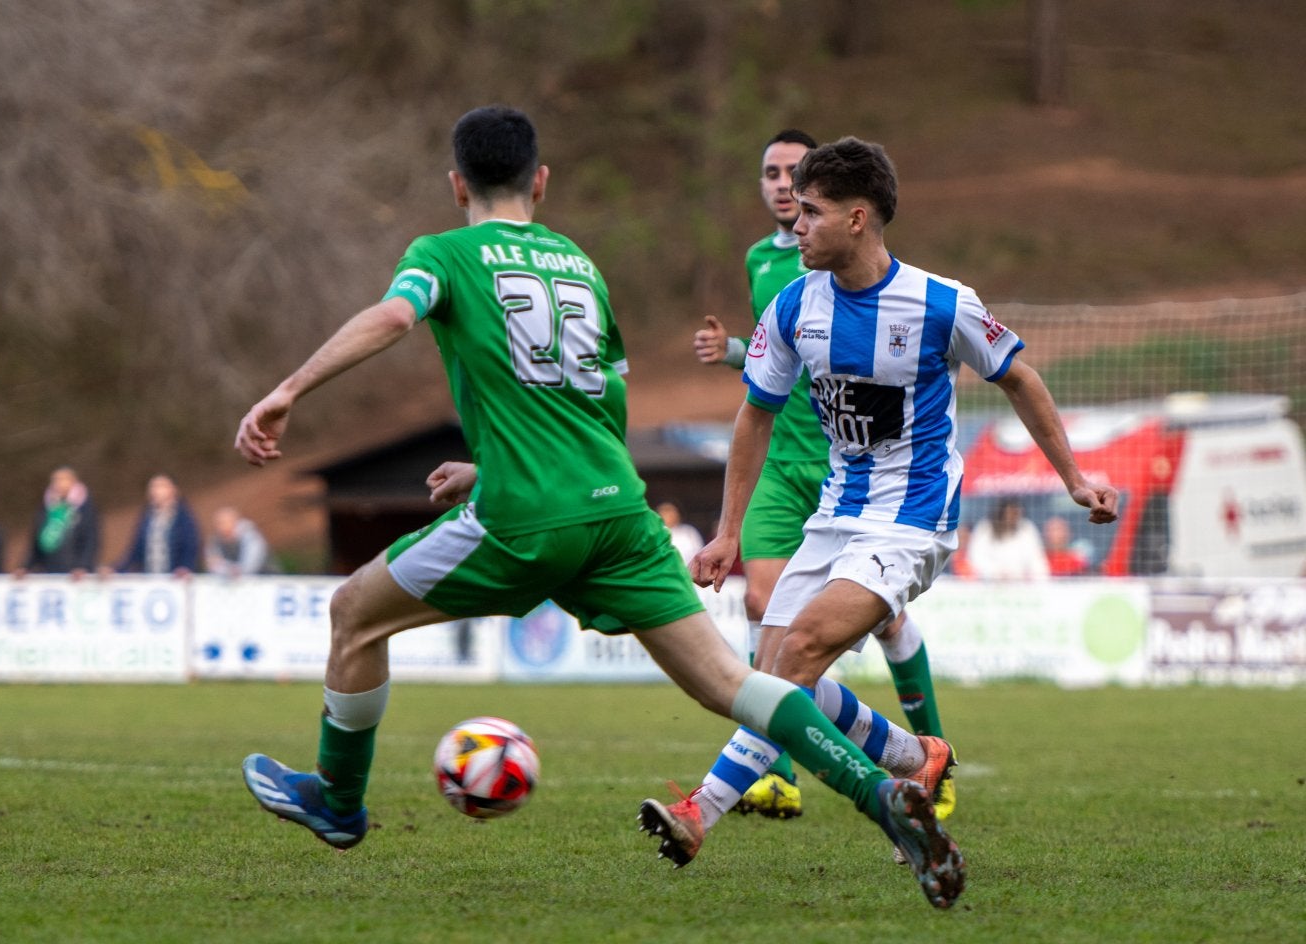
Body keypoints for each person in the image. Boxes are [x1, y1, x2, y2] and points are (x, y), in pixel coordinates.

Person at [233, 106, 964, 909]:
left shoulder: (442, 254)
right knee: (734, 678)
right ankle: (882, 796)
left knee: (353, 614)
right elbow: (601, 401)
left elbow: (394, 316)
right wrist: (492, 467)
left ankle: (338, 804)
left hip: (525, 515)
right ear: (540, 183)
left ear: (456, 185)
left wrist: (288, 389)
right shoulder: (580, 266)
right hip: (619, 512)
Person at [651, 136, 1118, 872]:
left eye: (811, 212)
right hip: (834, 513)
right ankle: (913, 754)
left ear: (858, 218)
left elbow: (1019, 377)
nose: (795, 225)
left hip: (913, 516)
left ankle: (697, 812)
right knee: (766, 678)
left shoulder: (941, 302)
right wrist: (728, 532)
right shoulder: (791, 306)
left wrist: (1074, 478)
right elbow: (755, 416)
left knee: (797, 654)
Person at [691, 130, 952, 820]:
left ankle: (925, 753)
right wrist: (732, 354)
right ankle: (775, 772)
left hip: (869, 474)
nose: (781, 187)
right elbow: (775, 359)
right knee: (771, 623)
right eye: (770, 173)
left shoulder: (902, 286)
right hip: (789, 463)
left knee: (874, 625)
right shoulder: (763, 262)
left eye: (793, 176)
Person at [111, 474, 201, 575]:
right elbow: (135, 551)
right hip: (151, 579)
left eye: (160, 486)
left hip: (174, 581)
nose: (154, 490)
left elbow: (190, 547)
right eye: (152, 487)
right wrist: (115, 570)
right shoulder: (147, 517)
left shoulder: (183, 517)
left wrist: (186, 568)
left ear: (173, 490)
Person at [23, 467, 101, 575]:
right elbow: (37, 541)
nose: (58, 484)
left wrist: (83, 566)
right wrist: (26, 566)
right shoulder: (46, 508)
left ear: (73, 482)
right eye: (55, 480)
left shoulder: (85, 509)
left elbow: (90, 539)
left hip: (76, 574)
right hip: (49, 571)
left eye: (62, 479)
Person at [965, 497, 1051, 580]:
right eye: (1011, 513)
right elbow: (975, 558)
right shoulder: (985, 529)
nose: (1014, 517)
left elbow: (1037, 561)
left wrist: (1042, 583)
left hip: (1020, 586)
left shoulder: (1026, 529)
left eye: (1017, 513)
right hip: (988, 584)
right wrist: (995, 573)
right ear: (1001, 513)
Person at [205, 505, 277, 576]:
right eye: (219, 523)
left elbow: (249, 567)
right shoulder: (215, 541)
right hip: (233, 584)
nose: (222, 527)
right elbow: (213, 566)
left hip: (267, 579)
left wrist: (225, 565)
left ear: (236, 522)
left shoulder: (251, 537)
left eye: (225, 522)